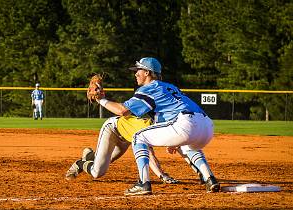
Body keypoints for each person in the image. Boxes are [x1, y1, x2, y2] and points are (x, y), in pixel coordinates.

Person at [94, 57, 220, 196]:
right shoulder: (170, 86)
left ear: (147, 73)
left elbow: (122, 111)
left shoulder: (148, 89)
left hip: (185, 123)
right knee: (189, 145)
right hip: (207, 126)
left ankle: (143, 183)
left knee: (138, 137)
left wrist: (101, 99)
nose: (136, 74)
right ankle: (210, 178)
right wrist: (175, 140)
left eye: (138, 70)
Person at [65, 115, 178, 184]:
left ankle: (89, 155)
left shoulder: (151, 129)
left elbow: (150, 154)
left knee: (107, 160)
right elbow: (150, 155)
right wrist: (162, 176)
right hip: (112, 130)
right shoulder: (145, 129)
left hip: (125, 139)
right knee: (97, 172)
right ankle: (79, 163)